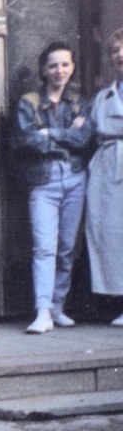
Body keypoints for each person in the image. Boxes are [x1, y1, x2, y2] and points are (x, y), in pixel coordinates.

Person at [10, 42, 92, 334]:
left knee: (68, 247)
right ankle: (42, 311)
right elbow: (23, 140)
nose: (60, 71)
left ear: (72, 68)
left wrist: (50, 132)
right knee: (45, 247)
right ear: (43, 70)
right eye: (53, 65)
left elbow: (84, 140)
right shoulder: (28, 102)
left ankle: (58, 305)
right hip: (43, 182)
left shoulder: (80, 102)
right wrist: (67, 134)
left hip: (74, 178)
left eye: (65, 65)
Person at [85, 27, 123, 326]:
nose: (120, 55)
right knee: (110, 234)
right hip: (108, 165)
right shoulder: (103, 97)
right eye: (114, 51)